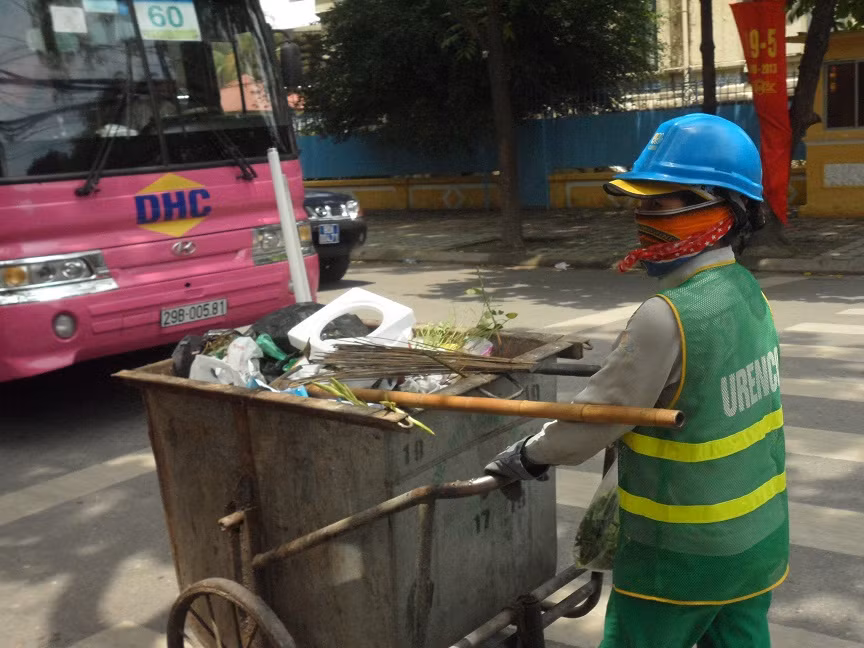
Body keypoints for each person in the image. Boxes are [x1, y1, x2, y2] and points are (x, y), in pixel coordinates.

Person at [485, 113, 789, 648]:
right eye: (639, 203)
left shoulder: (667, 315)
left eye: (660, 203)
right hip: (754, 540)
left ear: (724, 210)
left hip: (680, 556)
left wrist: (529, 455)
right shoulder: (747, 290)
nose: (642, 217)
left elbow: (595, 420)